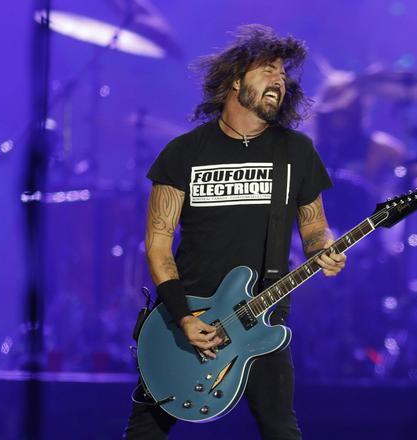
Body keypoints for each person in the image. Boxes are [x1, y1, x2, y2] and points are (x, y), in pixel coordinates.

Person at [124, 24, 346, 440]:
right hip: (187, 316)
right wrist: (183, 316)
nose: (279, 80)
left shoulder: (295, 151)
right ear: (235, 80)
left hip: (260, 315)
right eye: (268, 70)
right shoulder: (183, 153)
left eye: (284, 74)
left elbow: (314, 226)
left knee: (280, 428)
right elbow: (157, 243)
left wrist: (324, 248)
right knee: (146, 432)